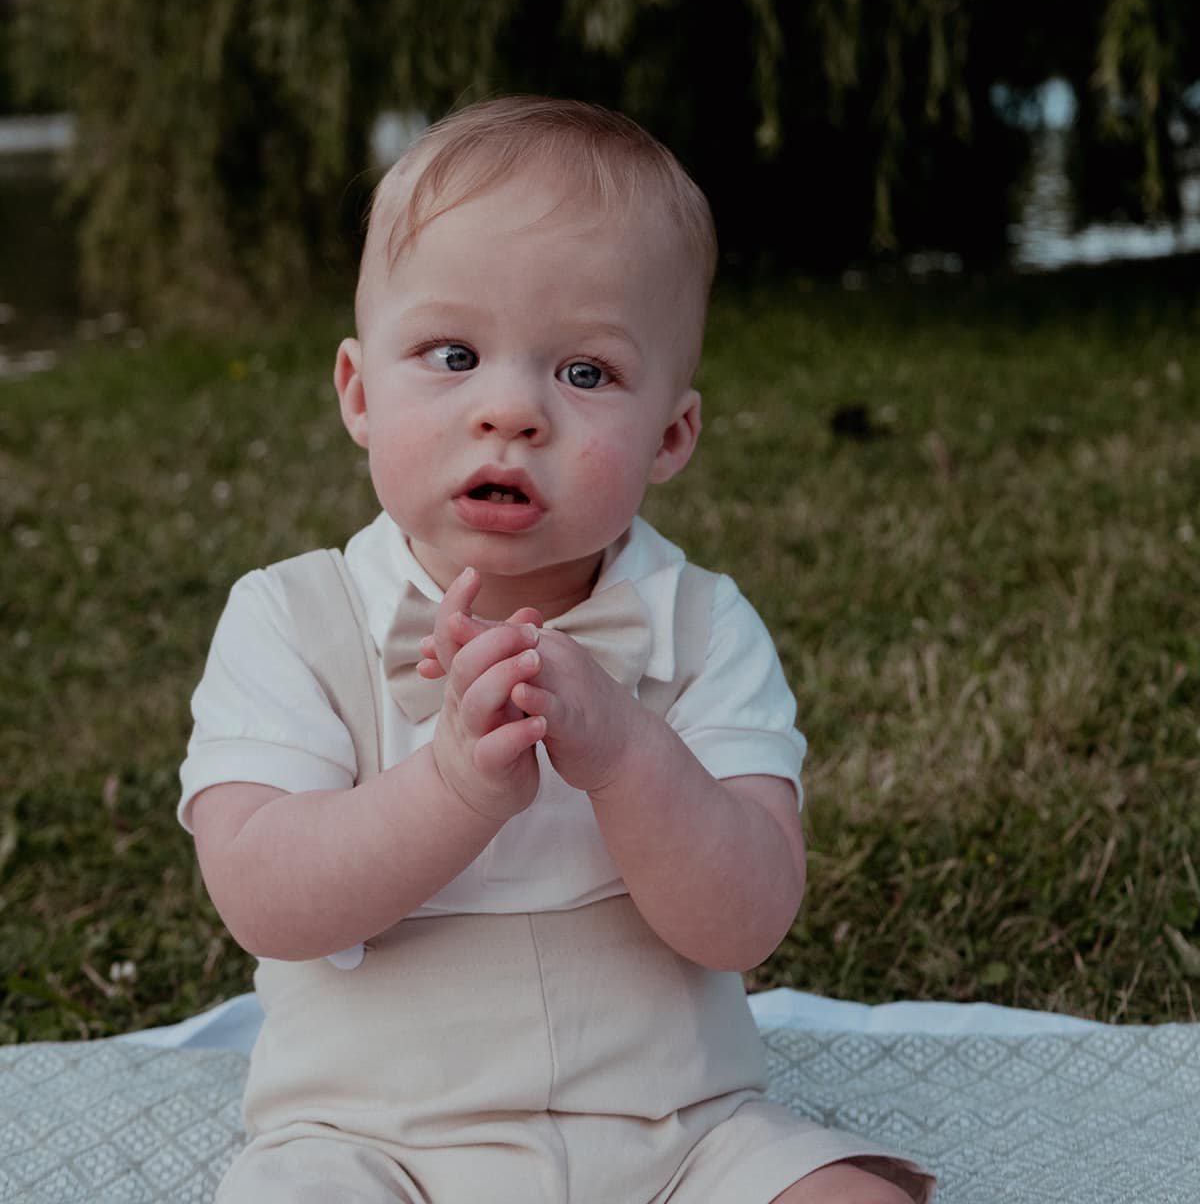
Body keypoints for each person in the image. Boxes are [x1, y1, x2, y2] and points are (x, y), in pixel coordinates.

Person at [181, 97, 935, 1204]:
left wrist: (630, 755)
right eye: (452, 353)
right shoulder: (290, 618)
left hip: (680, 1132)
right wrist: (448, 785)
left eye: (584, 373)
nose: (511, 410)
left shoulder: (701, 624)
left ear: (671, 435)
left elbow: (747, 916)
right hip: (373, 1139)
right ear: (357, 391)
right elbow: (266, 897)